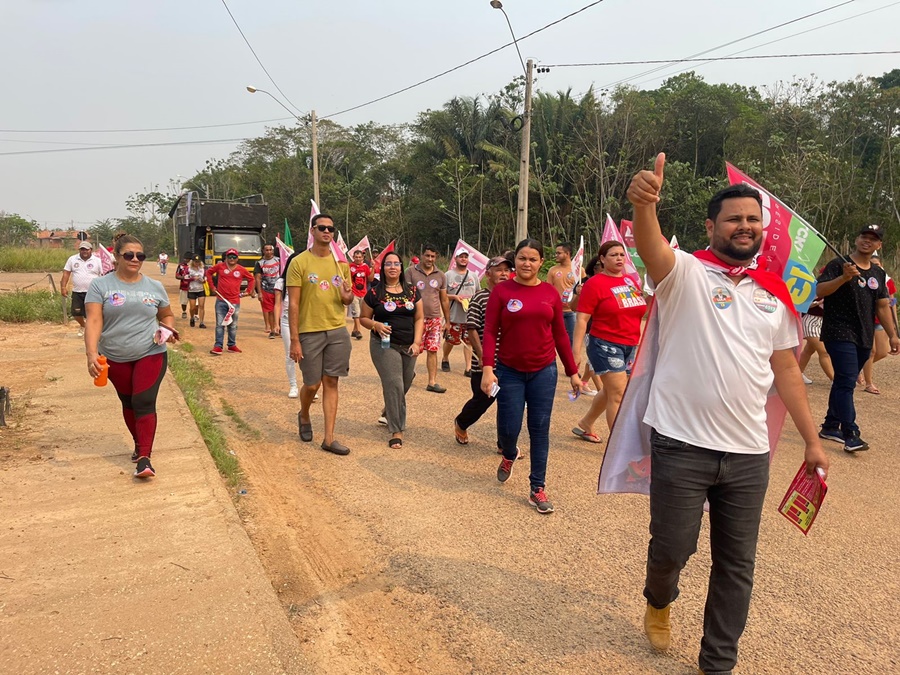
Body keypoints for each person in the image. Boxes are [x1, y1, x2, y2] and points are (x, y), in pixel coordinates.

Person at [627, 154, 828, 675]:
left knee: (736, 564)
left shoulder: (775, 298)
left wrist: (811, 440)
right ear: (712, 227)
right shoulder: (686, 273)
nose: (745, 226)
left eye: (753, 219)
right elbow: (651, 250)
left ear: (763, 229)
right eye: (735, 219)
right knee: (673, 546)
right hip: (682, 443)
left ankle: (717, 662)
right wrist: (644, 205)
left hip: (748, 454)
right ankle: (658, 597)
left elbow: (786, 373)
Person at [481, 239, 581, 515]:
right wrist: (488, 369)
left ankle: (537, 487)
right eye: (523, 258)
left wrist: (572, 372)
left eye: (533, 259)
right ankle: (509, 453)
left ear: (541, 263)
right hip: (509, 371)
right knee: (509, 428)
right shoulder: (502, 291)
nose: (527, 264)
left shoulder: (549, 293)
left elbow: (561, 334)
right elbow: (490, 331)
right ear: (517, 262)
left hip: (543, 371)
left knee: (539, 429)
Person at [84, 234, 178, 479]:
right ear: (117, 257)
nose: (135, 259)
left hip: (150, 351)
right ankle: (139, 442)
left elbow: (167, 315)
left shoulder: (154, 287)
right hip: (115, 356)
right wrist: (91, 353)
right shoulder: (100, 286)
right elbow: (94, 320)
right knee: (129, 403)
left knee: (144, 400)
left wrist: (167, 329)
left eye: (140, 256)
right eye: (129, 255)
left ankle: (145, 459)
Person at [816, 223, 899, 452]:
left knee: (845, 378)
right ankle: (851, 433)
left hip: (864, 333)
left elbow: (882, 306)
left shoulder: (878, 273)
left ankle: (831, 425)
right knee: (846, 380)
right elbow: (820, 291)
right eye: (864, 236)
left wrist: (892, 334)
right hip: (839, 330)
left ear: (878, 245)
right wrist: (843, 277)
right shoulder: (838, 264)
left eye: (873, 239)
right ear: (857, 239)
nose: (867, 241)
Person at [286, 213, 354, 455]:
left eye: (331, 229)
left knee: (331, 382)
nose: (327, 232)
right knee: (312, 384)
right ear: (312, 231)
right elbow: (293, 304)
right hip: (309, 332)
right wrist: (294, 340)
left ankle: (329, 438)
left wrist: (348, 295)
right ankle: (304, 414)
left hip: (337, 330)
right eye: (322, 228)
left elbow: (347, 298)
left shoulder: (341, 263)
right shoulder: (299, 262)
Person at [571, 241, 647, 444]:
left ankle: (586, 423)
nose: (619, 258)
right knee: (619, 393)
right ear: (602, 259)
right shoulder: (594, 284)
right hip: (605, 344)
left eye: (622, 254)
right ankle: (620, 446)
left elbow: (640, 310)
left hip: (630, 344)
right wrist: (576, 351)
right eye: (613, 255)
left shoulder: (631, 281)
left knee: (612, 390)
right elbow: (582, 319)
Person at [360, 251, 423, 448]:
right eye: (388, 264)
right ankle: (396, 430)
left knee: (405, 381)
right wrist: (375, 325)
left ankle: (389, 409)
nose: (393, 267)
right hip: (384, 345)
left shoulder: (412, 291)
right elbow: (363, 318)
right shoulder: (374, 293)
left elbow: (420, 317)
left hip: (408, 344)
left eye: (396, 263)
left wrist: (417, 342)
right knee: (395, 383)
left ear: (401, 268)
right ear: (383, 268)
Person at [453, 255, 512, 448]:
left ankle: (505, 444)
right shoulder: (479, 297)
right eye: (498, 270)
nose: (503, 273)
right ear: (488, 274)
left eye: (506, 270)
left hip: (510, 362)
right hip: (486, 362)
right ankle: (462, 422)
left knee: (509, 404)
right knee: (483, 399)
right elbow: (471, 328)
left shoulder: (514, 296)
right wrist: (483, 357)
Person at [405, 245, 450, 393]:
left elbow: (444, 300)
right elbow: (405, 296)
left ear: (436, 257)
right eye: (427, 255)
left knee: (433, 350)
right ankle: (407, 376)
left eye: (433, 256)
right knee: (413, 348)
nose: (430, 259)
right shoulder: (411, 272)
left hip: (435, 319)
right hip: (415, 318)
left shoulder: (441, 275)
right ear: (422, 255)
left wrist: (448, 321)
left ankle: (432, 382)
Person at [206, 248, 256, 355]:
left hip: (234, 302)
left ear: (237, 258)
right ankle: (218, 346)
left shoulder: (241, 269)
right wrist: (212, 287)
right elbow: (209, 273)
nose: (232, 259)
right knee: (220, 324)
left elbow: (251, 279)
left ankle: (231, 345)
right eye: (229, 257)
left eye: (234, 257)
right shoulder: (220, 266)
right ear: (226, 258)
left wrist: (247, 291)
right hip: (221, 300)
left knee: (233, 325)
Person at [860, 254, 897, 394]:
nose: (876, 267)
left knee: (882, 352)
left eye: (878, 264)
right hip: (867, 319)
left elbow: (892, 301)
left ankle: (858, 369)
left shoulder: (888, 281)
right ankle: (869, 383)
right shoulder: (863, 279)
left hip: (882, 320)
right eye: (873, 264)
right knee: (871, 351)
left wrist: (894, 321)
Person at [568, 255, 603, 396]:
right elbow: (573, 307)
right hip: (591, 328)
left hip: (606, 328)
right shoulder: (584, 283)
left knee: (592, 359)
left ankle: (583, 382)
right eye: (600, 265)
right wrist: (578, 294)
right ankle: (603, 392)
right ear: (594, 268)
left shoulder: (614, 282)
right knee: (595, 359)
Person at [441, 249, 479, 376]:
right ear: (455, 259)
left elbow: (478, 292)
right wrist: (454, 297)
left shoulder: (473, 276)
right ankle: (445, 358)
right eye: (461, 257)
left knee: (469, 341)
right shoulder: (447, 275)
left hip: (470, 314)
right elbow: (442, 294)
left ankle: (468, 367)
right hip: (454, 313)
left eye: (465, 257)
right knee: (451, 339)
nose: (463, 259)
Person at [274, 252, 302, 398]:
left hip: (304, 321)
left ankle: (308, 386)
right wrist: (276, 323)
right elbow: (277, 303)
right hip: (286, 321)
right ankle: (293, 386)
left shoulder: (306, 280)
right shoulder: (281, 282)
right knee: (290, 354)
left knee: (308, 354)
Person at [61, 241, 103, 337]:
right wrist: (63, 287)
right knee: (76, 312)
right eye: (82, 249)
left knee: (92, 313)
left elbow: (102, 275)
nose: (84, 251)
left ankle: (92, 330)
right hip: (77, 291)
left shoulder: (97, 261)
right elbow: (66, 273)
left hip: (93, 292)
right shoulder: (72, 259)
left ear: (90, 250)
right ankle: (83, 326)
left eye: (86, 249)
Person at [546, 241, 577, 344]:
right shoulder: (552, 270)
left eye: (559, 253)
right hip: (556, 311)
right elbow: (548, 290)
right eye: (556, 253)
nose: (556, 255)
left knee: (573, 339)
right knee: (552, 339)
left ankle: (572, 359)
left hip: (572, 311)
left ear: (567, 254)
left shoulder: (578, 270)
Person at [798, 298, 833, 384]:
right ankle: (834, 379)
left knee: (809, 350)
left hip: (822, 321)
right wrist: (817, 302)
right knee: (823, 352)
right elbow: (803, 303)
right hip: (811, 320)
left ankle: (798, 374)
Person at [254, 244, 281, 338]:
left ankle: (280, 329)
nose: (269, 252)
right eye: (267, 250)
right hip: (266, 289)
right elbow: (257, 278)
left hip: (279, 289)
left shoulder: (279, 260)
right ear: (263, 251)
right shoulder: (260, 263)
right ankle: (273, 330)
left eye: (270, 250)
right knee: (269, 310)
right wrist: (259, 292)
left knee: (279, 309)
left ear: (273, 251)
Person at [348, 249, 374, 339]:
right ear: (353, 257)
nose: (358, 259)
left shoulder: (365, 267)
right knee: (356, 312)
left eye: (359, 257)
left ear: (362, 257)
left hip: (363, 293)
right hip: (353, 292)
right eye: (356, 257)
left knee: (361, 312)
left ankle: (354, 330)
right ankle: (358, 331)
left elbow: (370, 279)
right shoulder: (350, 266)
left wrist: (373, 268)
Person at [186, 255, 207, 328]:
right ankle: (192, 318)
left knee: (201, 306)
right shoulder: (188, 269)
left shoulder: (202, 269)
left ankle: (201, 322)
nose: (197, 263)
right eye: (195, 262)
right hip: (192, 289)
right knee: (193, 307)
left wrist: (203, 280)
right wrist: (193, 278)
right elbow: (185, 277)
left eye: (198, 262)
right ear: (192, 262)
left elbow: (205, 277)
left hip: (200, 289)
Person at [174, 253, 192, 319]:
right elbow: (177, 275)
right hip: (184, 286)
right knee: (183, 301)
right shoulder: (181, 266)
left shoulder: (194, 266)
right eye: (185, 258)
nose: (185, 260)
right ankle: (184, 311)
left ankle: (195, 314)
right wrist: (183, 277)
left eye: (187, 259)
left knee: (195, 303)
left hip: (193, 287)